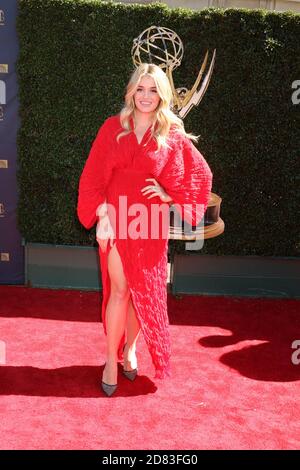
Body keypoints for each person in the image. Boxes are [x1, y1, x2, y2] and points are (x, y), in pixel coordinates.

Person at [77, 63, 213, 396]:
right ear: (131, 92)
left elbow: (199, 174)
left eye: (154, 90)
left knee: (140, 292)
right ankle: (111, 358)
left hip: (149, 220)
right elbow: (93, 175)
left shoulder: (170, 134)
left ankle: (130, 350)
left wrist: (169, 194)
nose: (146, 96)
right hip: (117, 217)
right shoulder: (112, 128)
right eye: (141, 89)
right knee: (120, 290)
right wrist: (102, 215)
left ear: (162, 95)